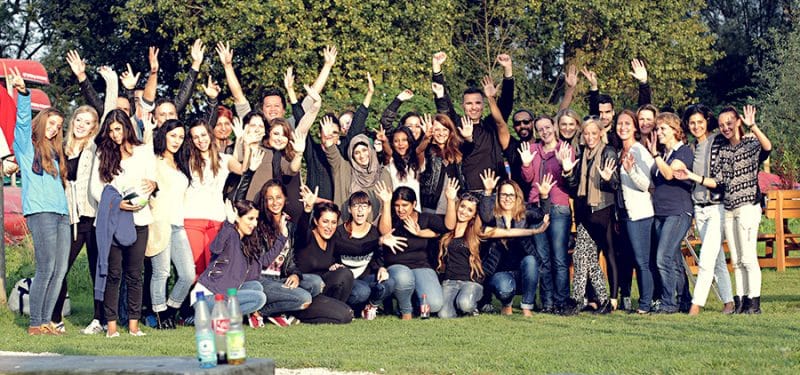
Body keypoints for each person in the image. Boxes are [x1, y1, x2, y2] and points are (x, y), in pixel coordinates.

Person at [9, 67, 70, 335]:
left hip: (62, 214)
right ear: (42, 121)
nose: (54, 128)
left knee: (59, 270)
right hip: (41, 212)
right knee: (45, 267)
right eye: (51, 123)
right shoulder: (26, 145)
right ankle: (35, 323)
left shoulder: (57, 154)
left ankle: (46, 321)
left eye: (58, 126)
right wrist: (23, 93)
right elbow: (22, 121)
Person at [90, 109, 157, 337]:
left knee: (135, 274)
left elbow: (151, 182)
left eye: (118, 129)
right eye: (110, 130)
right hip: (112, 221)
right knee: (113, 273)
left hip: (139, 219)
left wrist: (151, 187)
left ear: (127, 127)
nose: (115, 134)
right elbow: (96, 189)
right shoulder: (103, 153)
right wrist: (117, 204)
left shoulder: (143, 152)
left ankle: (133, 326)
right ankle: (110, 326)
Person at [672, 105, 735, 316]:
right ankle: (729, 303)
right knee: (716, 259)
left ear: (707, 121)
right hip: (699, 209)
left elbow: (719, 182)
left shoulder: (717, 142)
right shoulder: (690, 148)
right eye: (692, 123)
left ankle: (695, 306)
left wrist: (692, 176)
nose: (696, 126)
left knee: (706, 259)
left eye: (700, 122)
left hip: (717, 207)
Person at [48, 105, 104, 334]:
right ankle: (55, 318)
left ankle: (99, 320)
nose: (81, 125)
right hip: (69, 218)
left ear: (94, 127)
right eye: (79, 120)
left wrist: (110, 84)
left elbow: (109, 110)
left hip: (91, 218)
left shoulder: (94, 147)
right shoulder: (60, 149)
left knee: (97, 269)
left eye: (87, 122)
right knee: (59, 268)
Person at [184, 119, 260, 277]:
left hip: (216, 219)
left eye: (203, 135)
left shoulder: (224, 159)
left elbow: (242, 169)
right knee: (196, 269)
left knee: (214, 266)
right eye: (196, 137)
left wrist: (246, 145)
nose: (201, 140)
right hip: (192, 219)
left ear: (210, 135)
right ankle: (196, 301)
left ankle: (213, 301)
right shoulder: (188, 160)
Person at [432, 52, 514, 190]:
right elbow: (442, 102)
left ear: (483, 105)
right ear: (463, 105)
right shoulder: (457, 124)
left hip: (495, 190)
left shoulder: (490, 125)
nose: (474, 107)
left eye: (477, 103)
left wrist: (508, 70)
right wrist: (436, 69)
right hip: (468, 193)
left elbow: (506, 104)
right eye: (469, 104)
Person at [718, 105, 771, 314]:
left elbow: (767, 148)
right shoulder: (723, 149)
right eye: (722, 125)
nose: (726, 128)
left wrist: (754, 126)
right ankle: (740, 301)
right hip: (729, 208)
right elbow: (720, 179)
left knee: (749, 257)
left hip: (748, 206)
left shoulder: (750, 143)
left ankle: (754, 302)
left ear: (738, 122)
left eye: (729, 123)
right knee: (737, 259)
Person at [521, 116, 577, 313]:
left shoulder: (564, 149)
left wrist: (564, 164)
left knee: (559, 257)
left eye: (547, 127)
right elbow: (528, 178)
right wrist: (527, 164)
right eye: (540, 129)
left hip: (558, 206)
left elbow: (568, 181)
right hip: (536, 206)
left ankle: (561, 300)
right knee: (543, 257)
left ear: (554, 127)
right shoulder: (533, 150)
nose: (545, 131)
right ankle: (547, 302)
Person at [479, 170, 552, 316]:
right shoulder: (492, 216)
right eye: (503, 195)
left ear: (517, 197)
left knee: (531, 261)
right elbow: (485, 216)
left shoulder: (524, 214)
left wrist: (544, 196)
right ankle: (506, 303)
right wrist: (487, 192)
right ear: (498, 197)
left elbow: (541, 215)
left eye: (511, 195)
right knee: (504, 288)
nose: (507, 198)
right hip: (500, 274)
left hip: (522, 272)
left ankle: (527, 306)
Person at [193, 200, 285, 315]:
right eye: (250, 219)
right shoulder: (230, 233)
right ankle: (202, 318)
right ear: (237, 218)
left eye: (256, 219)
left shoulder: (244, 245)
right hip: (207, 296)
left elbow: (263, 263)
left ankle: (219, 316)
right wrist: (228, 223)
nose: (255, 224)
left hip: (224, 295)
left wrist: (282, 237)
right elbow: (215, 248)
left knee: (256, 286)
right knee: (259, 298)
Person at [146, 119, 196, 329]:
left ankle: (170, 311)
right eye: (172, 135)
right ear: (164, 135)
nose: (176, 141)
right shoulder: (154, 161)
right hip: (160, 222)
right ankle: (159, 316)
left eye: (180, 137)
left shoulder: (182, 163)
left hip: (178, 224)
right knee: (162, 272)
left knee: (187, 274)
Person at [377, 183, 452, 319]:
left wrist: (421, 233)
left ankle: (415, 300)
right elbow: (385, 231)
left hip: (421, 266)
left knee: (434, 304)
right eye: (397, 205)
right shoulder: (391, 217)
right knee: (404, 277)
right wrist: (386, 203)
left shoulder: (425, 218)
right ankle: (406, 309)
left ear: (414, 203)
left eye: (405, 205)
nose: (400, 209)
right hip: (397, 266)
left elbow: (448, 226)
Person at [646, 112, 694, 314]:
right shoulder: (664, 154)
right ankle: (684, 300)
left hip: (678, 211)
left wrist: (655, 155)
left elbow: (669, 174)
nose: (659, 132)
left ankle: (668, 302)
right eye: (657, 129)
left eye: (663, 129)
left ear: (675, 130)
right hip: (661, 212)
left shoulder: (683, 152)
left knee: (662, 257)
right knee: (673, 260)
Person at [254, 180, 320, 325]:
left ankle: (277, 312)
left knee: (316, 283)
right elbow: (260, 261)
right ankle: (259, 312)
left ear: (285, 199)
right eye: (269, 198)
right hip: (261, 279)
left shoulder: (288, 224)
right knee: (304, 298)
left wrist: (295, 274)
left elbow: (303, 241)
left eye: (278, 197)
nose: (275, 202)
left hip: (280, 278)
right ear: (264, 201)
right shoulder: (257, 224)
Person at [335, 191, 404, 319]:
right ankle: (350, 308)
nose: (360, 210)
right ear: (349, 209)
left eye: (364, 206)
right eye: (356, 206)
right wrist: (378, 241)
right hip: (347, 281)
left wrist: (382, 268)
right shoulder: (340, 232)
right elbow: (352, 248)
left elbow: (377, 258)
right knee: (362, 292)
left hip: (365, 278)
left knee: (389, 282)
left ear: (369, 209)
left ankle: (370, 307)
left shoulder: (373, 232)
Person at [616, 109, 656, 314]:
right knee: (633, 259)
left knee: (642, 261)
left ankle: (645, 304)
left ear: (634, 128)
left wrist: (631, 171)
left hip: (641, 214)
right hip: (625, 215)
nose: (622, 127)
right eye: (620, 124)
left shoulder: (639, 151)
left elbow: (648, 184)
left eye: (627, 124)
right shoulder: (619, 151)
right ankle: (640, 301)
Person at [294, 186, 354, 303]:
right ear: (316, 221)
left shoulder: (332, 240)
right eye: (325, 221)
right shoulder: (307, 237)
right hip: (305, 290)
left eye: (333, 222)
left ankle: (337, 308)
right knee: (316, 281)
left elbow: (356, 249)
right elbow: (301, 229)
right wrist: (308, 209)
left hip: (323, 289)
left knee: (346, 275)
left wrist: (380, 241)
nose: (329, 227)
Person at [417, 113, 469, 214]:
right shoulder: (428, 150)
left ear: (450, 131)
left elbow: (470, 146)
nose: (441, 133)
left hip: (454, 202)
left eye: (445, 129)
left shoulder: (458, 150)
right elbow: (419, 151)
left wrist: (468, 136)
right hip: (430, 205)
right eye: (437, 129)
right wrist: (426, 138)